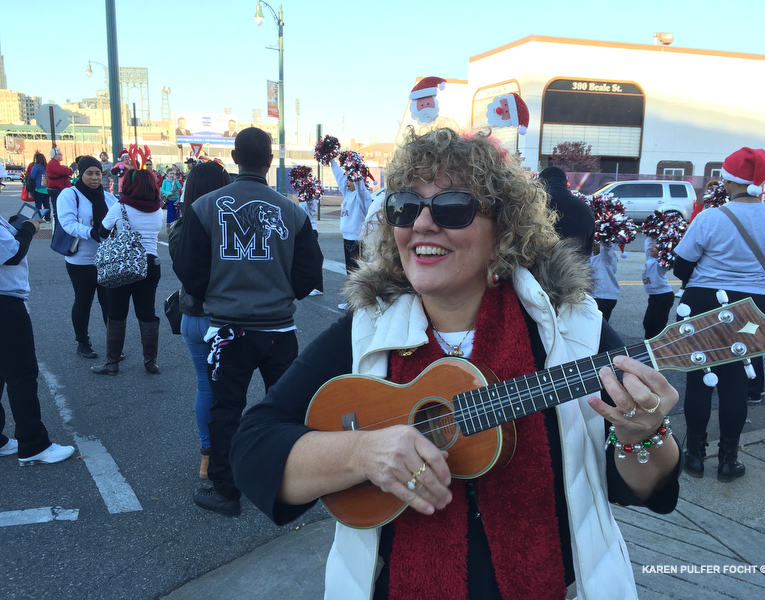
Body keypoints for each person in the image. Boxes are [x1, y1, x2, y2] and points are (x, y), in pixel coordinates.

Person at [230, 128, 681, 598]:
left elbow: (643, 487)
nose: (422, 224)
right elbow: (252, 451)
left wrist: (644, 435)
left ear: (502, 230)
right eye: (405, 206)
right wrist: (364, 454)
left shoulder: (573, 333)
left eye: (452, 207)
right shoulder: (366, 332)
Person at [174, 127, 324, 516]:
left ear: (234, 159)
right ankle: (293, 481)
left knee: (225, 409)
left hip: (227, 329)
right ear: (270, 161)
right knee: (288, 407)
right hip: (279, 330)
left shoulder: (206, 207)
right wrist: (278, 289)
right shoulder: (292, 211)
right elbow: (310, 275)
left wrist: (220, 291)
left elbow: (189, 271)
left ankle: (225, 491)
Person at [674, 147, 765, 481]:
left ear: (729, 180)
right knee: (736, 383)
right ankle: (728, 460)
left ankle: (695, 456)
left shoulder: (711, 218)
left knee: (699, 380)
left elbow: (682, 265)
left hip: (703, 301)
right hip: (753, 306)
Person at [168, 161, 232, 479]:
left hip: (189, 317)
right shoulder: (224, 226)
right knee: (228, 392)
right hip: (218, 320)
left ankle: (207, 456)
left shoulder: (179, 226)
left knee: (204, 388)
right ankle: (225, 456)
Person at [0, 214, 75, 466]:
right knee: (22, 375)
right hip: (5, 303)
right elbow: (11, 253)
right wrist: (28, 229)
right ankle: (33, 444)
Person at [91, 169, 164, 376]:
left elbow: (102, 233)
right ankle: (151, 362)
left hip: (123, 263)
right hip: (150, 263)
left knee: (116, 313)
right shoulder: (157, 209)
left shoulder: (120, 207)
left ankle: (112, 363)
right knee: (147, 312)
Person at [56, 156, 117, 359]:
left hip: (106, 259)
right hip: (81, 260)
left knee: (108, 302)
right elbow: (67, 223)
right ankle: (83, 343)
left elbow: (121, 218)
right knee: (83, 300)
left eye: (98, 173)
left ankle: (113, 344)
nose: (94, 177)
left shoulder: (108, 198)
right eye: (89, 173)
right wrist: (92, 232)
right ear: (80, 174)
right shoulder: (69, 194)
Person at [330, 154, 371, 309]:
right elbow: (339, 177)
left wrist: (356, 172)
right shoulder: (348, 194)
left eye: (350, 179)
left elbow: (360, 187)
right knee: (351, 272)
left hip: (357, 240)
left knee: (358, 273)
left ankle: (360, 302)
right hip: (347, 239)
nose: (346, 182)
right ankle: (353, 301)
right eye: (347, 179)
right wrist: (332, 161)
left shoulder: (363, 196)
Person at [538, 166, 595, 257]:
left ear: (540, 182)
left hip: (538, 267)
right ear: (565, 183)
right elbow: (588, 251)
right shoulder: (584, 209)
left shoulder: (535, 205)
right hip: (574, 267)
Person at [641, 236, 675, 339]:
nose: (651, 248)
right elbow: (648, 243)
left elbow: (669, 255)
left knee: (658, 325)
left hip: (664, 296)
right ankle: (648, 345)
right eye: (652, 246)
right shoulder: (650, 258)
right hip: (653, 296)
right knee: (647, 323)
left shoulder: (661, 264)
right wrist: (652, 232)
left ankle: (658, 347)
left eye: (655, 247)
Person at [589, 241, 620, 322]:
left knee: (600, 326)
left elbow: (607, 246)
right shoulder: (589, 257)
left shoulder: (607, 257)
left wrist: (605, 237)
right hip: (593, 296)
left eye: (597, 244)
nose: (594, 246)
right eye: (593, 244)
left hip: (604, 298)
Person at [46, 147, 73, 223]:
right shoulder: (53, 164)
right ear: (55, 156)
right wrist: (70, 170)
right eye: (60, 154)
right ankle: (58, 223)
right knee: (58, 208)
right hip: (57, 190)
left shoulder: (54, 164)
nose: (61, 156)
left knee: (59, 207)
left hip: (58, 189)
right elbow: (63, 171)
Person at [28, 153, 50, 221]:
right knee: (47, 204)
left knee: (38, 205)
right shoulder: (47, 166)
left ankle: (38, 218)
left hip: (39, 188)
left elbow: (32, 176)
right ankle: (48, 218)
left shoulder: (37, 166)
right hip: (47, 188)